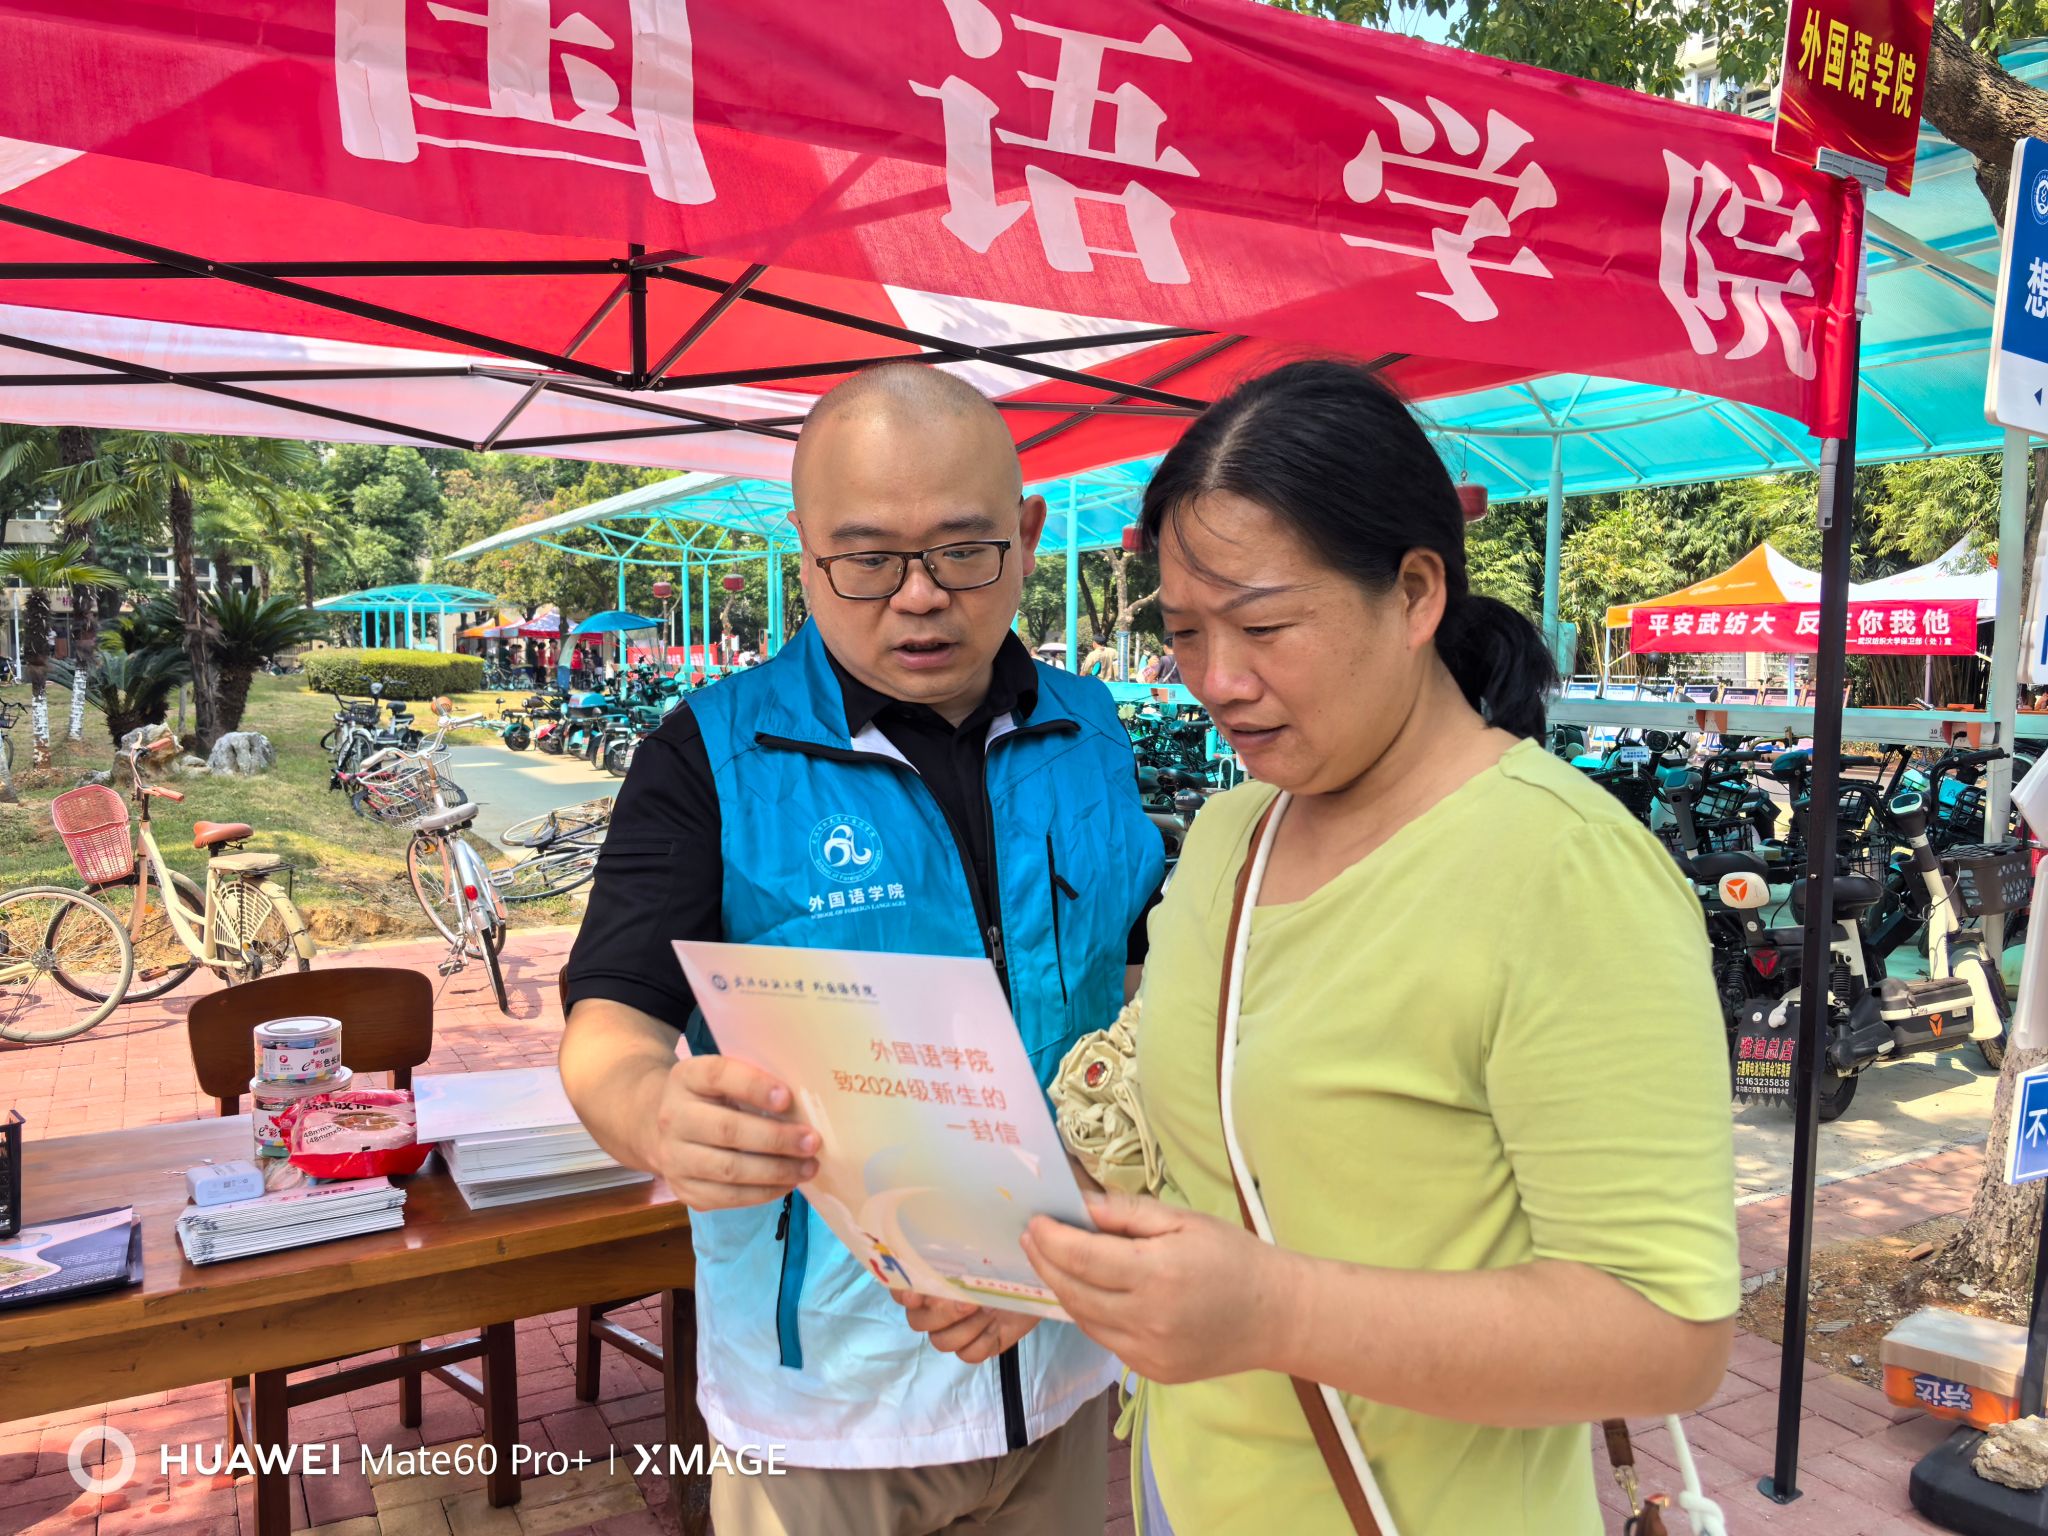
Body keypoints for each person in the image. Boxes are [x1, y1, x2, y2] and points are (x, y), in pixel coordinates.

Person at [1003, 361, 1737, 1535]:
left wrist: (1274, 1313)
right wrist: (1034, 1263)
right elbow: (1197, 1151)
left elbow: (1666, 1338)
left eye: (1263, 626)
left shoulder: (1564, 872)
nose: (1216, 681)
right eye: (1183, 634)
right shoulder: (1233, 834)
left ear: (1412, 593)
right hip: (1186, 1496)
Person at [558, 363, 1166, 1536]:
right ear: (805, 554)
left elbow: (1144, 989)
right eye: (867, 559)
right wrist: (650, 1113)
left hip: (1065, 1354)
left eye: (962, 550)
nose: (919, 598)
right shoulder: (710, 756)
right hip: (826, 1403)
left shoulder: (1089, 733)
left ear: (1027, 533)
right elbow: (609, 1025)